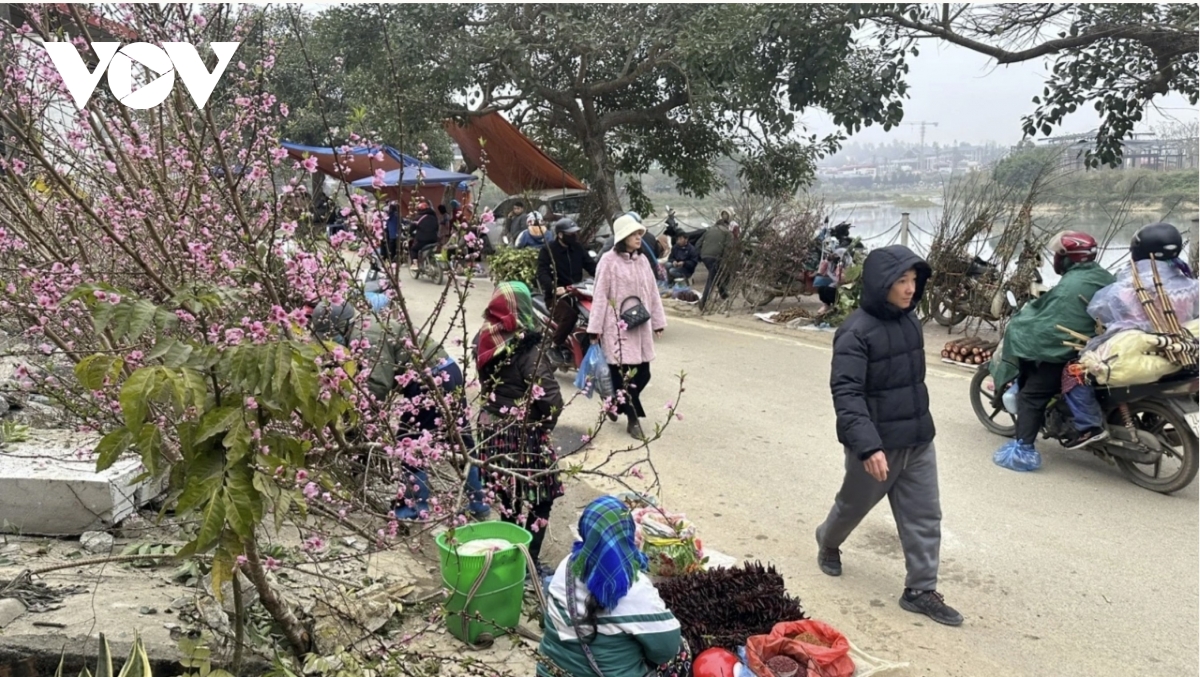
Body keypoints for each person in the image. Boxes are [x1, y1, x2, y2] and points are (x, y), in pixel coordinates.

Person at [815, 244, 963, 627]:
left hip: (917, 438)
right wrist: (868, 447)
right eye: (902, 280)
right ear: (882, 283)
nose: (910, 288)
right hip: (877, 445)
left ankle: (920, 589)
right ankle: (828, 541)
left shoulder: (911, 322)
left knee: (925, 515)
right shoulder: (854, 332)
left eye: (914, 280)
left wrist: (920, 430)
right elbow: (846, 394)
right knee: (853, 506)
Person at [307, 302, 489, 521]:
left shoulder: (367, 334)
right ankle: (478, 502)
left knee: (409, 444)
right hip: (448, 372)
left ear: (341, 326)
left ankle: (412, 509)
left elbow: (376, 383)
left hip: (430, 383)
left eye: (330, 336)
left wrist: (356, 419)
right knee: (459, 442)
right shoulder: (367, 325)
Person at [991, 231, 1115, 465]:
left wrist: (1022, 324)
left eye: (1059, 254)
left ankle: (1024, 449)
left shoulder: (1071, 284)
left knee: (1031, 395)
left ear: (1068, 257)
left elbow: (1052, 326)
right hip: (1100, 346)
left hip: (1070, 352)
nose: (1056, 259)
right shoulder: (1101, 276)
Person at [538, 495, 688, 677]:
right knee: (681, 650)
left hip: (548, 672)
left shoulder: (567, 565)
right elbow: (666, 649)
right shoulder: (635, 588)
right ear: (629, 533)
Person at [474, 281, 564, 572]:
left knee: (505, 499)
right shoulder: (529, 347)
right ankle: (527, 563)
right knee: (542, 497)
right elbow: (550, 400)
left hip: (490, 429)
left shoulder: (485, 337)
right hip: (521, 433)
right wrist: (544, 426)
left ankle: (510, 558)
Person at [587, 213, 667, 439]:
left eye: (639, 233)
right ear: (622, 237)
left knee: (644, 374)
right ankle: (633, 420)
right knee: (624, 378)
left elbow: (652, 292)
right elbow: (600, 296)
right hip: (617, 329)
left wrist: (658, 322)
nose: (638, 237)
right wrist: (595, 329)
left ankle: (611, 401)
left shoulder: (642, 261)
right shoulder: (608, 262)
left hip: (640, 326)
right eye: (633, 234)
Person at [537, 218, 598, 362]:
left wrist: (605, 278)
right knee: (570, 316)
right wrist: (553, 288)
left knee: (595, 313)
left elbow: (592, 267)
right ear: (560, 235)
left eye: (575, 232)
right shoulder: (548, 250)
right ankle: (554, 345)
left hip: (578, 292)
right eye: (570, 233)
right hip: (556, 297)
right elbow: (542, 272)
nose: (574, 236)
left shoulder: (577, 248)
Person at [695, 210, 735, 310]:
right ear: (727, 224)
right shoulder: (727, 233)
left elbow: (698, 244)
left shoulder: (709, 230)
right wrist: (725, 260)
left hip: (705, 256)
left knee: (715, 274)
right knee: (711, 279)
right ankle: (703, 302)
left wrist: (700, 255)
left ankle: (724, 295)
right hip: (715, 257)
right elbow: (728, 248)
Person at [410, 198, 441, 271]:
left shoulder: (417, 218)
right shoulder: (434, 217)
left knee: (414, 249)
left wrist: (411, 233)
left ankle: (415, 264)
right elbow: (437, 227)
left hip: (422, 240)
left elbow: (411, 228)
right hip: (434, 239)